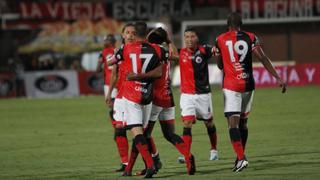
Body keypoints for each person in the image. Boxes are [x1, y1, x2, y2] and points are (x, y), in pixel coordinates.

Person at [214, 12, 287, 172]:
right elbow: (263, 58)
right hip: (248, 84)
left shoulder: (220, 39)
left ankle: (240, 158)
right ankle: (241, 156)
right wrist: (277, 77)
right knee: (243, 122)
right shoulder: (251, 37)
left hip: (231, 85)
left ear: (228, 23)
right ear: (242, 23)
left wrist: (218, 55)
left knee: (232, 123)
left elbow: (219, 66)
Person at [125, 27, 196, 175]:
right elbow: (177, 56)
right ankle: (188, 157)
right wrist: (169, 41)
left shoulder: (152, 51)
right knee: (169, 134)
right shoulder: (164, 52)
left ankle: (151, 164)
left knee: (142, 134)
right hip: (168, 97)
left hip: (154, 99)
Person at [108, 22, 164, 178]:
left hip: (131, 95)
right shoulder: (156, 49)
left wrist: (116, 57)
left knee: (137, 132)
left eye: (133, 32)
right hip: (140, 95)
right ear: (123, 35)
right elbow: (168, 60)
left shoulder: (124, 51)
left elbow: (109, 62)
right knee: (131, 130)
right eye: (127, 32)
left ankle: (151, 163)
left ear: (136, 34)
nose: (130, 35)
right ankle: (128, 167)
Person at [176, 28, 219, 163]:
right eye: (186, 37)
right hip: (187, 95)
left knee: (209, 123)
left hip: (203, 95)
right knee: (187, 123)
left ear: (197, 38)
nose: (189, 39)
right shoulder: (180, 52)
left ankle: (214, 150)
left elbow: (217, 50)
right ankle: (186, 154)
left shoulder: (204, 50)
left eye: (192, 36)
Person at [96, 34, 129, 172]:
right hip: (112, 84)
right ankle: (118, 127)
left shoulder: (118, 52)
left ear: (114, 41)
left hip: (120, 84)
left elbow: (98, 69)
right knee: (113, 107)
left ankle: (119, 127)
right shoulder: (111, 52)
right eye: (105, 40)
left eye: (108, 40)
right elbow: (103, 69)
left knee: (115, 108)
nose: (106, 42)